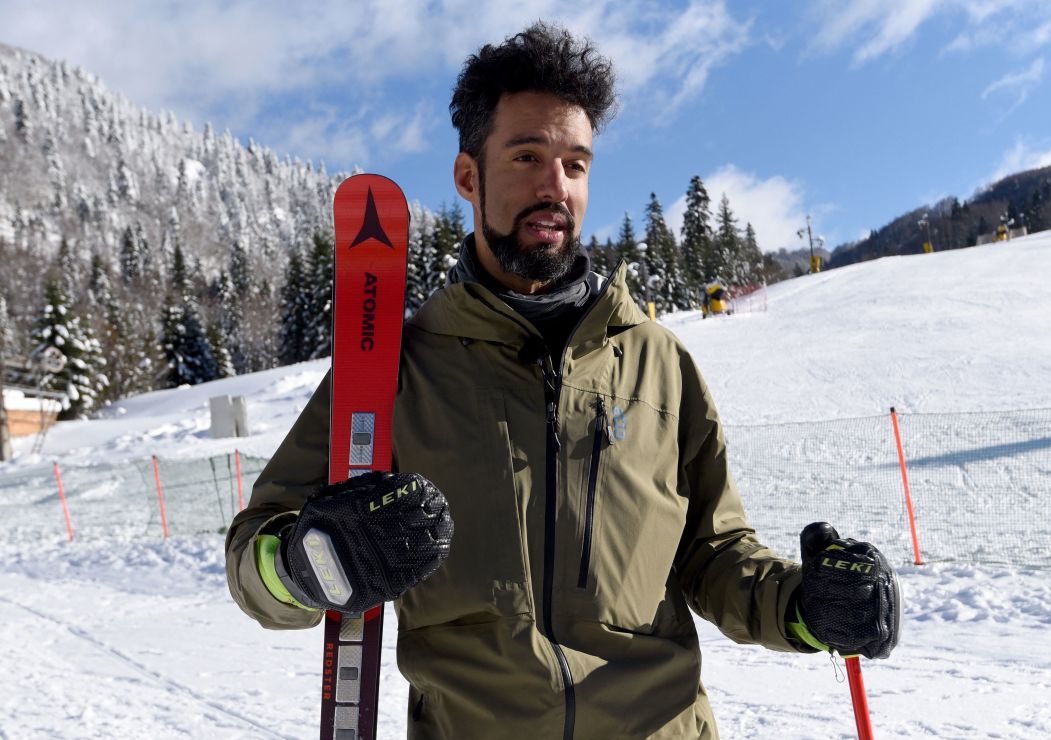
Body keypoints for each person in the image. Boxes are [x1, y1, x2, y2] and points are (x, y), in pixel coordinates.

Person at [225, 22, 899, 739]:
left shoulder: (657, 363)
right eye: (526, 157)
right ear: (467, 176)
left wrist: (808, 608)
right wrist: (306, 566)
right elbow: (252, 558)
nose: (555, 186)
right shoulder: (395, 371)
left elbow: (715, 555)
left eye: (575, 164)